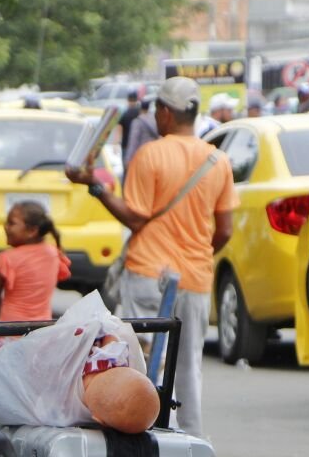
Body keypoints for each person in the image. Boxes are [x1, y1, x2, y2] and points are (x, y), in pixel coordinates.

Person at [67, 76, 237, 437]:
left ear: (164, 112)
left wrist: (94, 187)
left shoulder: (150, 155)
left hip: (148, 274)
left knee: (145, 359)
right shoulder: (217, 160)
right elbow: (224, 231)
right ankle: (190, 439)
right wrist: (198, 255)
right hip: (195, 277)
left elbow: (135, 217)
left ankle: (150, 435)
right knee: (189, 363)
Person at [0, 201, 71, 322]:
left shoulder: (6, 258)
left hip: (10, 331)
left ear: (32, 231)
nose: (5, 226)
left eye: (11, 223)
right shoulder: (54, 253)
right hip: (42, 332)